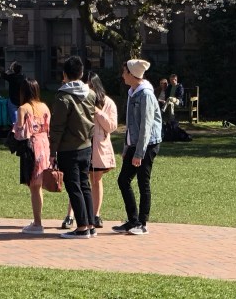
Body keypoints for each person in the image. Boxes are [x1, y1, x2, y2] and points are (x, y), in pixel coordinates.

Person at [49, 55, 96, 239]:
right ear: (82, 73)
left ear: (64, 75)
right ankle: (90, 224)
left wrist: (52, 150)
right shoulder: (90, 94)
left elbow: (57, 126)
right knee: (85, 185)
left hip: (69, 148)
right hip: (87, 145)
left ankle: (82, 227)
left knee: (73, 186)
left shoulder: (63, 97)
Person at [114, 58, 162, 235]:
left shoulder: (146, 95)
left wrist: (139, 153)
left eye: (124, 72)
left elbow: (146, 126)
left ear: (132, 74)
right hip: (135, 143)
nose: (122, 75)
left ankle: (142, 223)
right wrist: (127, 147)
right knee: (123, 180)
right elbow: (131, 124)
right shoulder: (132, 92)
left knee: (143, 182)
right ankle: (132, 220)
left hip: (148, 144)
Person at [71, 72, 117, 230]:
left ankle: (95, 215)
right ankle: (73, 215)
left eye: (90, 86)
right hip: (82, 145)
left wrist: (97, 111)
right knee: (78, 180)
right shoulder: (79, 100)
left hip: (98, 146)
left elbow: (111, 126)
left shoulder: (108, 103)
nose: (88, 90)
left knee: (96, 179)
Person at [13, 77, 51, 235]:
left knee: (34, 186)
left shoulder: (23, 108)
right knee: (38, 185)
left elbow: (20, 133)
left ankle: (37, 223)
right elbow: (49, 128)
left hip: (32, 147)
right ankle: (37, 220)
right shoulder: (45, 106)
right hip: (45, 145)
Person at [4, 62, 27, 126]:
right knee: (22, 117)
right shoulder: (23, 77)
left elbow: (3, 75)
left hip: (13, 99)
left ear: (14, 70)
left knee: (14, 119)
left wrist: (9, 69)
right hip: (22, 99)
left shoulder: (12, 77)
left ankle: (16, 128)